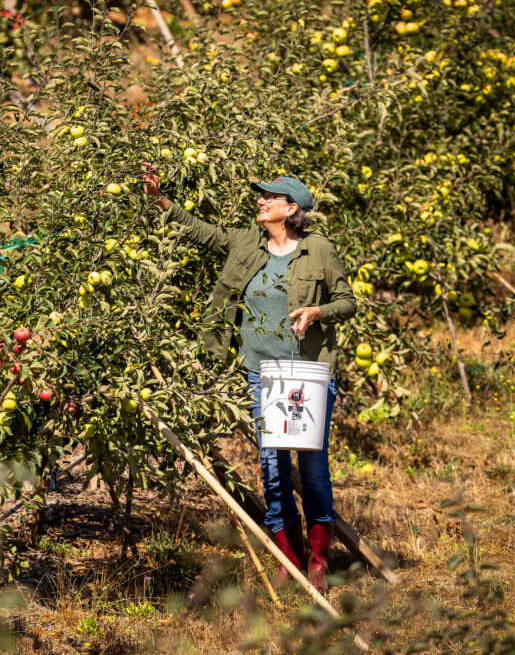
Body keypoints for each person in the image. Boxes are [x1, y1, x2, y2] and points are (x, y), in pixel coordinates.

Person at [141, 165, 356, 592]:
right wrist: (158, 197)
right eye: (261, 196)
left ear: (291, 208)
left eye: (269, 198)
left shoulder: (318, 249)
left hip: (307, 374)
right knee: (273, 469)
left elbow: (347, 301)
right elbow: (198, 231)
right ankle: (286, 558)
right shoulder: (246, 242)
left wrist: (317, 312)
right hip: (261, 375)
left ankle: (318, 561)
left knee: (312, 469)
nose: (260, 201)